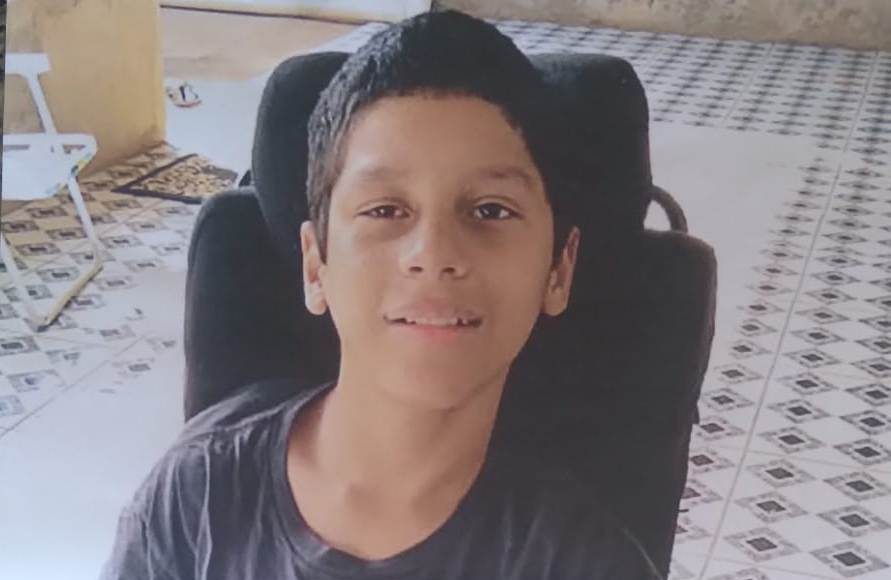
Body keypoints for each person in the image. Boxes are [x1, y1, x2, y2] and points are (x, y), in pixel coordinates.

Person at [99, 9, 664, 580]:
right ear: (315, 265)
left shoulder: (584, 563)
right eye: (386, 210)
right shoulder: (196, 501)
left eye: (491, 211)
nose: (433, 253)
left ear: (558, 270)